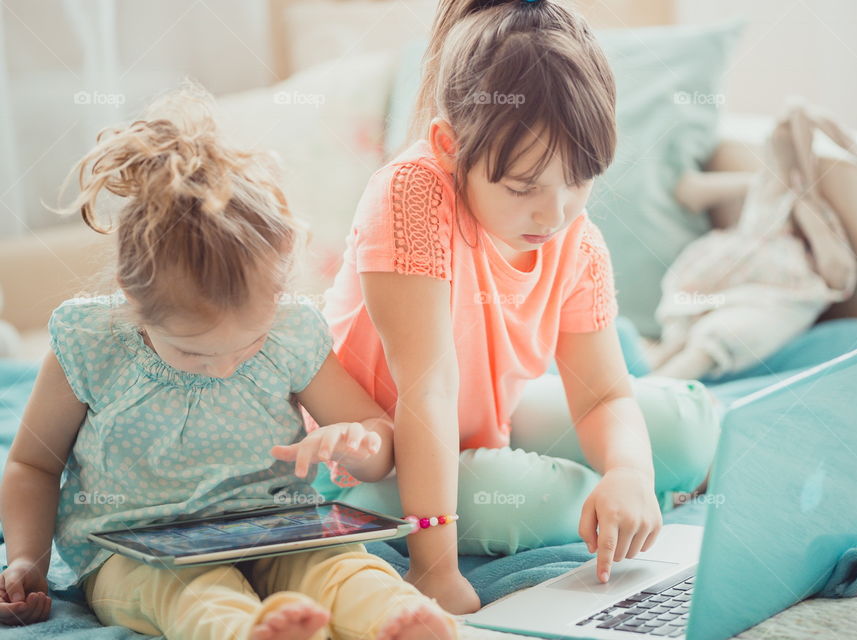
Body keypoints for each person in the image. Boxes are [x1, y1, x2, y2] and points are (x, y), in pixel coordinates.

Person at [0, 85, 456, 640]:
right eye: (193, 351)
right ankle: (249, 633)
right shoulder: (89, 342)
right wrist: (28, 560)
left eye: (248, 344)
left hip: (278, 529)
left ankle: (400, 622)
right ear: (130, 297)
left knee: (343, 567)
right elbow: (32, 466)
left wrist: (358, 446)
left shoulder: (291, 335)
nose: (224, 366)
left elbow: (380, 438)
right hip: (135, 551)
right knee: (192, 595)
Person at [317, 0, 721, 615]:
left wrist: (630, 474)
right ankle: (625, 512)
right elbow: (427, 393)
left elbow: (605, 393)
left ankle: (636, 499)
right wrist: (435, 570)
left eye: (579, 181)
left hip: (486, 420)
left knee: (685, 428)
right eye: (524, 187)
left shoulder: (573, 234)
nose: (553, 215)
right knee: (520, 501)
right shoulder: (410, 196)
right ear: (450, 147)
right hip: (382, 458)